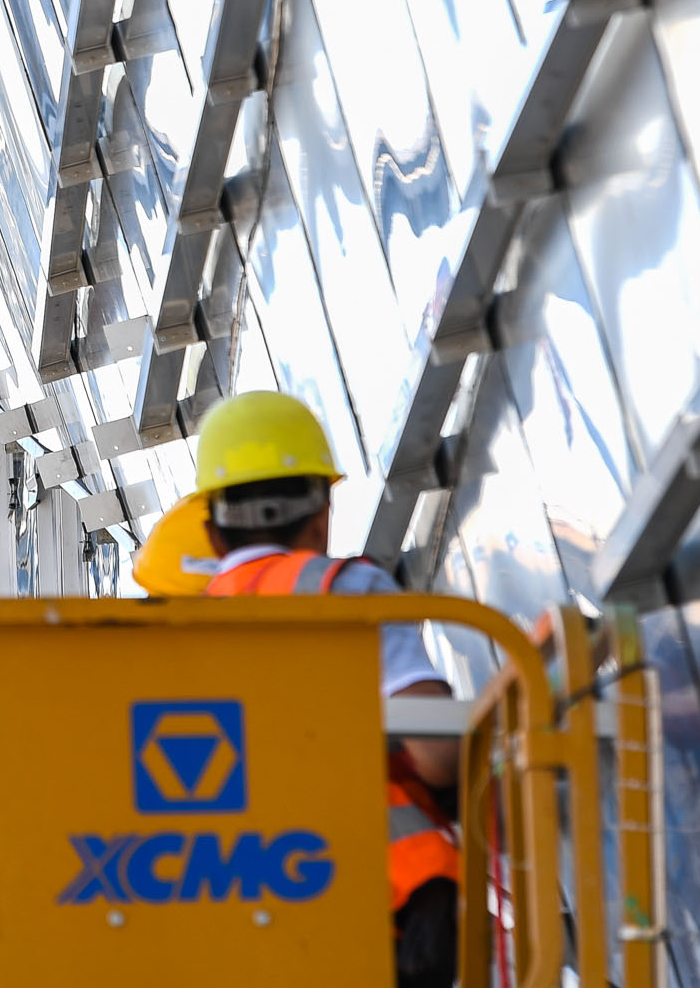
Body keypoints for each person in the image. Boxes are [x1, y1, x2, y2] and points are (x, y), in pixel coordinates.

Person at [135, 391, 461, 988]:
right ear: (320, 515)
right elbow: (439, 758)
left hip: (217, 912)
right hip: (375, 910)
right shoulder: (345, 590)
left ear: (210, 533)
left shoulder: (162, 643)